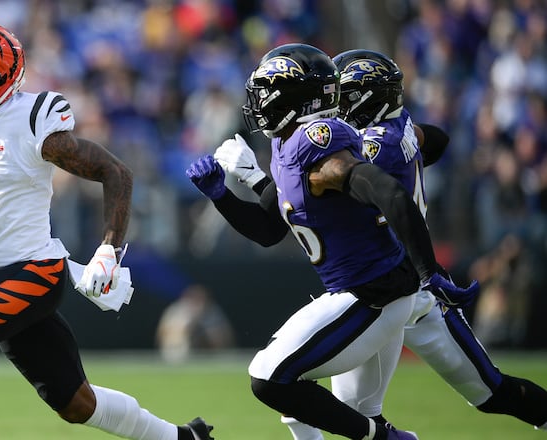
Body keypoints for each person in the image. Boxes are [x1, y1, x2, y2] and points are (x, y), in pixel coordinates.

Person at [0, 22, 214, 440]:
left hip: (36, 271)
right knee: (77, 403)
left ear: (0, 77)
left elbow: (116, 172)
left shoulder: (31, 118)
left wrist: (108, 251)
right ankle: (183, 438)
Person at [212, 48, 547, 439]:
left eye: (345, 96)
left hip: (404, 284)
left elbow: (326, 192)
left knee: (489, 393)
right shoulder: (397, 129)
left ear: (366, 100)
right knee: (346, 410)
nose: (336, 104)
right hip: (394, 277)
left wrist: (255, 179)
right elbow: (436, 141)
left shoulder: (363, 146)